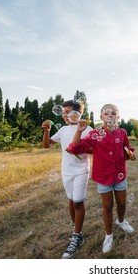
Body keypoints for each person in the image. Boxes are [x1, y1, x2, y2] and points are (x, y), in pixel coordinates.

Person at [67, 103, 136, 254]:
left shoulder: (122, 133)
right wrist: (79, 131)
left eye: (113, 113)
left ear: (118, 116)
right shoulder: (95, 134)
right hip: (103, 175)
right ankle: (109, 235)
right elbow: (75, 148)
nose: (110, 115)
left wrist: (131, 154)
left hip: (119, 174)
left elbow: (127, 150)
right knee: (108, 206)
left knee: (122, 203)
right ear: (101, 117)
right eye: (106, 113)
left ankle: (121, 221)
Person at [41, 99, 93, 259]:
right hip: (66, 171)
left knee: (78, 201)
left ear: (78, 114)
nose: (65, 115)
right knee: (71, 200)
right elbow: (46, 145)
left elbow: (92, 150)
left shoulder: (87, 129)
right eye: (63, 113)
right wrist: (46, 131)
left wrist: (79, 148)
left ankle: (77, 236)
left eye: (68, 112)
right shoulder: (63, 130)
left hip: (81, 170)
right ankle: (75, 227)